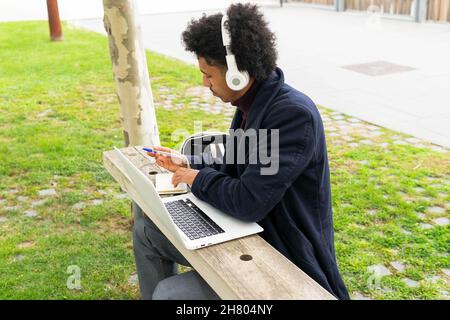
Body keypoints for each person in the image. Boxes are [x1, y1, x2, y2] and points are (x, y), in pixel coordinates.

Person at [132, 3, 350, 300]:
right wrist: (188, 162)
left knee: (170, 295)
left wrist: (196, 178)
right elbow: (239, 166)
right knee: (146, 233)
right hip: (247, 233)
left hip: (284, 256)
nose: (204, 83)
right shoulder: (253, 104)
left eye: (209, 75)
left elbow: (248, 201)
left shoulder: (290, 116)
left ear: (237, 73)